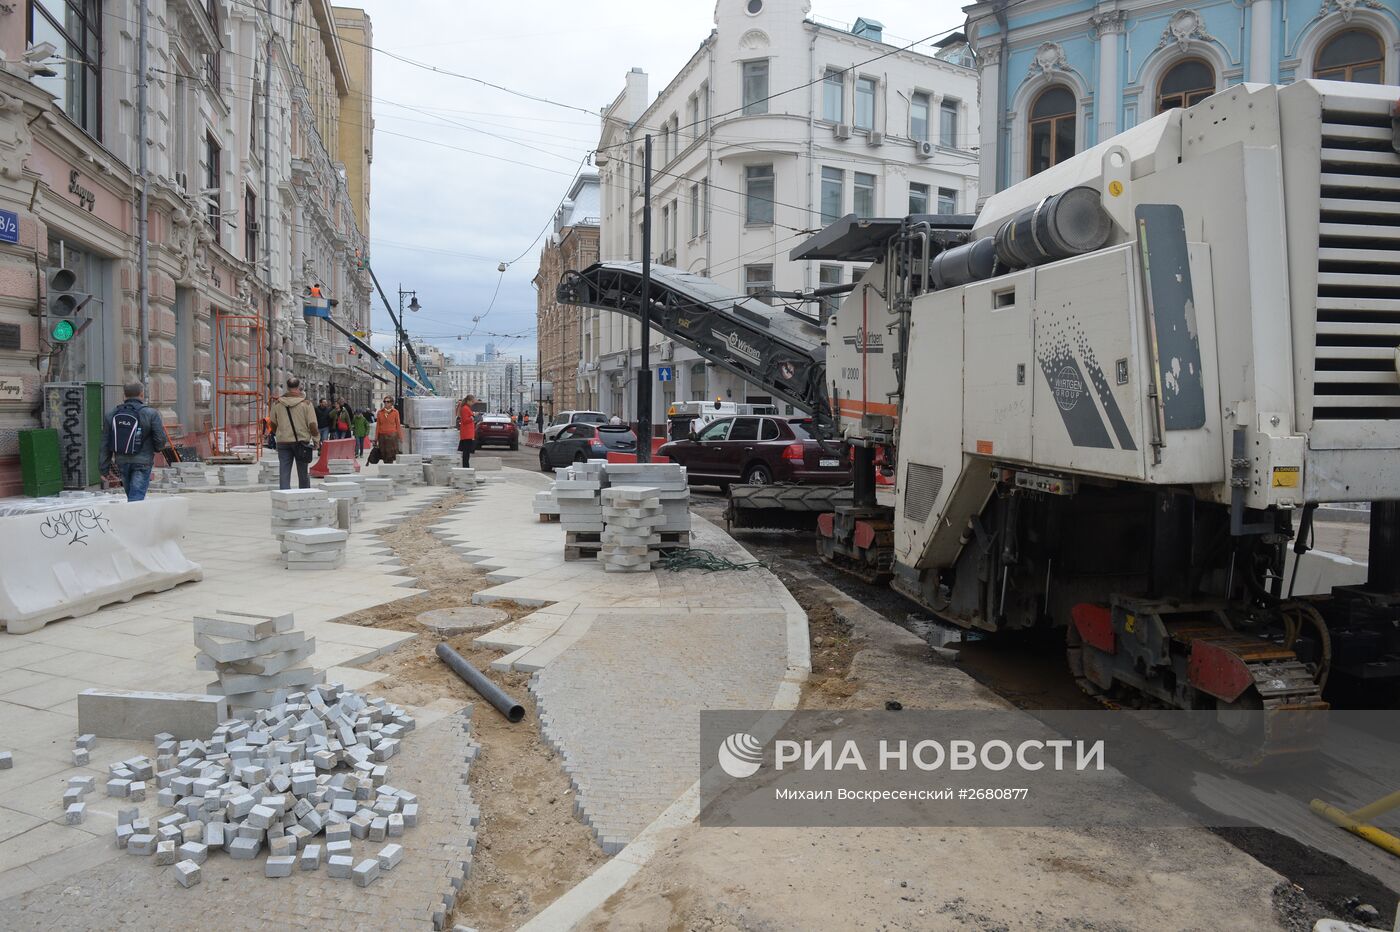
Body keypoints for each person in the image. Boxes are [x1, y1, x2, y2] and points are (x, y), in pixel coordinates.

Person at [100, 382, 171, 502]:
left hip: (121, 461)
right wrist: (157, 449)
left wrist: (104, 469)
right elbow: (160, 439)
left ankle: (132, 517)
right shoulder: (151, 413)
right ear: (142, 394)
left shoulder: (111, 414)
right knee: (136, 498)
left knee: (132, 496)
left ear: (124, 395)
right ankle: (134, 519)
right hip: (142, 461)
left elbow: (105, 443)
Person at [269, 377, 319, 490]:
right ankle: (304, 495)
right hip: (301, 442)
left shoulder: (277, 404)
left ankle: (284, 496)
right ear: (299, 387)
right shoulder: (306, 404)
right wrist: (316, 440)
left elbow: (272, 423)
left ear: (287, 387)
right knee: (303, 472)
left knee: (284, 470)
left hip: (283, 441)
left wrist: (279, 433)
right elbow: (312, 425)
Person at [375, 396, 401, 463]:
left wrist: (400, 437)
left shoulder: (395, 412)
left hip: (392, 436)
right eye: (385, 401)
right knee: (384, 454)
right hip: (382, 436)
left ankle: (389, 467)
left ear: (391, 403)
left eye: (388, 402)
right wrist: (376, 438)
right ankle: (386, 467)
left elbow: (398, 425)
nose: (386, 403)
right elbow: (378, 425)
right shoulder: (380, 412)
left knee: (391, 454)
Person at [458, 395, 477, 468]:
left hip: (468, 433)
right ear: (468, 401)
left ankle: (466, 466)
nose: (473, 403)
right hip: (466, 433)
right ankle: (466, 466)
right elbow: (465, 420)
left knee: (467, 451)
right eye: (472, 401)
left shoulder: (466, 408)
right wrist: (472, 417)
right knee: (466, 452)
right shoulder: (465, 408)